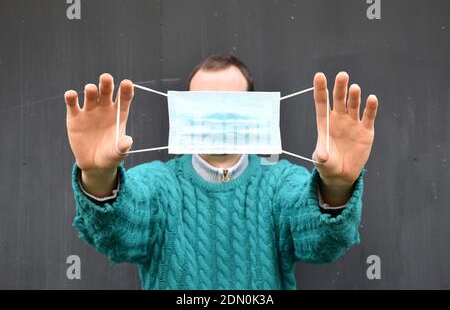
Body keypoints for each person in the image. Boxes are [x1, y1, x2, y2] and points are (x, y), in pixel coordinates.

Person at [64, 54, 378, 289]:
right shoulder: (156, 184)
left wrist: (337, 187)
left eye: (230, 103)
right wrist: (98, 178)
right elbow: (118, 237)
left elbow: (322, 245)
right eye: (202, 104)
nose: (217, 115)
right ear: (183, 109)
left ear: (253, 110)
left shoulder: (282, 183)